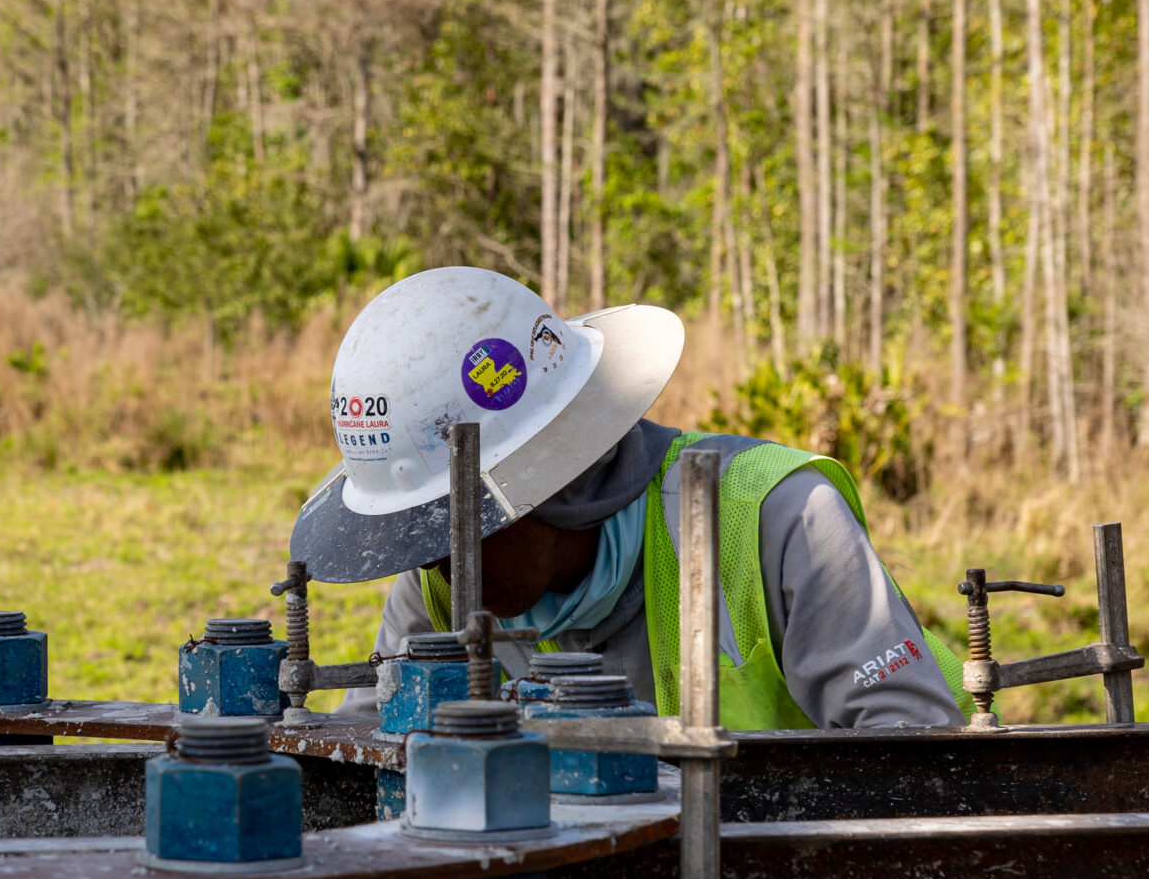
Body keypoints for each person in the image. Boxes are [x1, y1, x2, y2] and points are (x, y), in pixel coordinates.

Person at [290, 267, 967, 731]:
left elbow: (914, 752)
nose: (435, 566)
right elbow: (368, 756)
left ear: (551, 480)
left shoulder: (776, 518)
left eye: (446, 531)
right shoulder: (441, 587)